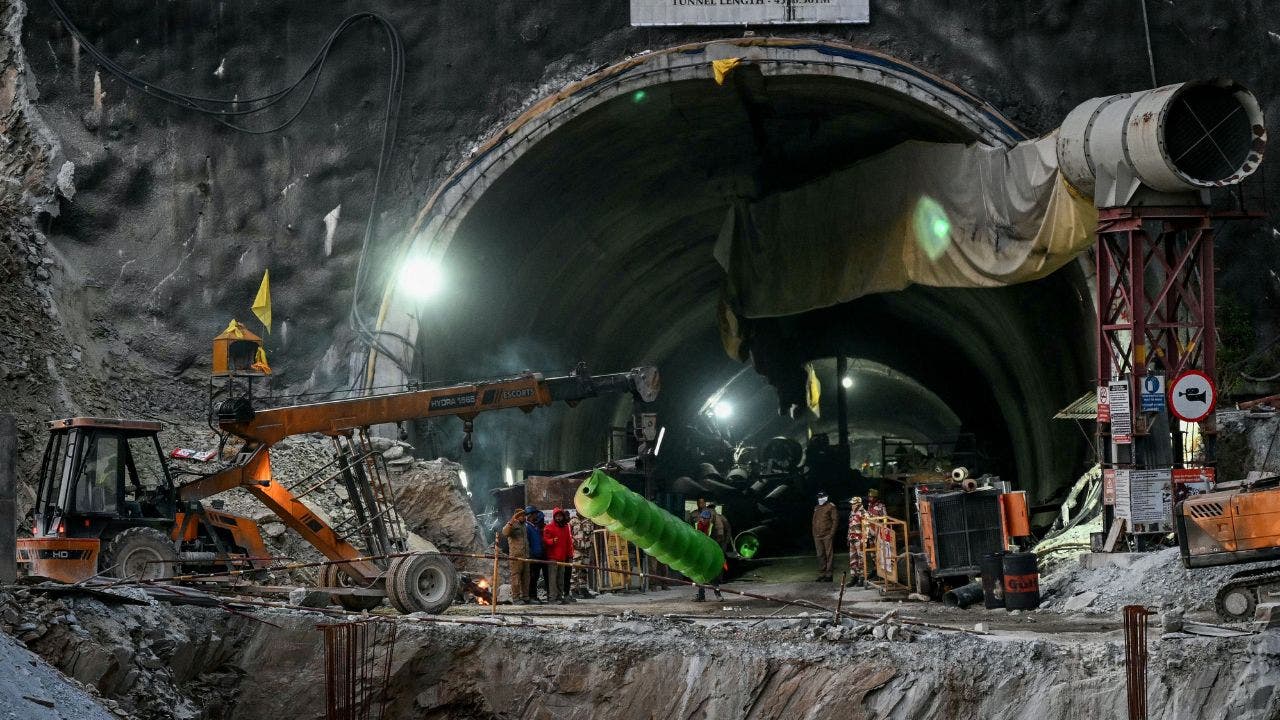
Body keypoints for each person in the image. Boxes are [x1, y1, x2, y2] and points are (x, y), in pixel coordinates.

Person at [542, 507, 574, 604]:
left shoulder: (565, 528)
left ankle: (560, 597)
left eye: (560, 516)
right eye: (557, 516)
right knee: (552, 579)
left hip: (562, 558)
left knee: (561, 579)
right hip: (552, 558)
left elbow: (569, 542)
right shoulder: (549, 527)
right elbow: (545, 540)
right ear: (554, 517)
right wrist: (551, 541)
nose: (559, 518)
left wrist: (569, 555)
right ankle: (552, 598)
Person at [693, 508, 724, 602]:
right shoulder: (695, 525)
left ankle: (718, 594)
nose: (704, 520)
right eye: (703, 518)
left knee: (712, 574)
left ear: (709, 519)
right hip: (700, 553)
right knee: (700, 574)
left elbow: (717, 540)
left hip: (710, 553)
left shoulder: (712, 527)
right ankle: (701, 596)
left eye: (706, 519)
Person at [501, 508, 530, 605]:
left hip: (525, 556)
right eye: (521, 515)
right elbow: (504, 532)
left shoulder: (524, 526)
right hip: (515, 557)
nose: (523, 517)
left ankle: (525, 596)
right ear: (516, 516)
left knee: (526, 578)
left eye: (524, 515)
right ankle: (516, 597)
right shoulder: (512, 525)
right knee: (516, 578)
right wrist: (511, 521)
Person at [569, 510, 597, 599]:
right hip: (576, 550)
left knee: (584, 570)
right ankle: (574, 590)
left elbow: (591, 535)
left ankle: (583, 589)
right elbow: (569, 534)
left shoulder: (589, 521)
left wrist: (591, 547)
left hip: (586, 550)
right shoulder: (572, 521)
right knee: (575, 570)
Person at [812, 490, 837, 582]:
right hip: (817, 535)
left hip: (827, 535)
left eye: (821, 497)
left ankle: (829, 574)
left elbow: (835, 521)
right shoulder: (817, 507)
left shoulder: (831, 507)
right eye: (819, 498)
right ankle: (822, 573)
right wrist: (814, 533)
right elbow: (814, 521)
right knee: (820, 555)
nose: (820, 499)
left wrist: (831, 533)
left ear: (826, 497)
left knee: (828, 554)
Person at [525, 507, 547, 604]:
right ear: (530, 515)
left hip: (538, 556)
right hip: (532, 557)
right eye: (534, 514)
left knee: (536, 577)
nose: (536, 516)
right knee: (532, 577)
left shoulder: (535, 527)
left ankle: (534, 596)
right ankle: (531, 596)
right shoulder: (527, 527)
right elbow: (527, 543)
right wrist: (530, 555)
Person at [847, 497, 867, 586]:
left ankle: (862, 578)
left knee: (861, 559)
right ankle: (854, 577)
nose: (852, 505)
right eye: (851, 504)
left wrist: (865, 540)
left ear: (858, 504)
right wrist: (848, 537)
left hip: (860, 540)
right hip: (852, 539)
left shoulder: (863, 513)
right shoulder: (852, 513)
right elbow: (850, 526)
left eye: (853, 504)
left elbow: (867, 528)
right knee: (853, 559)